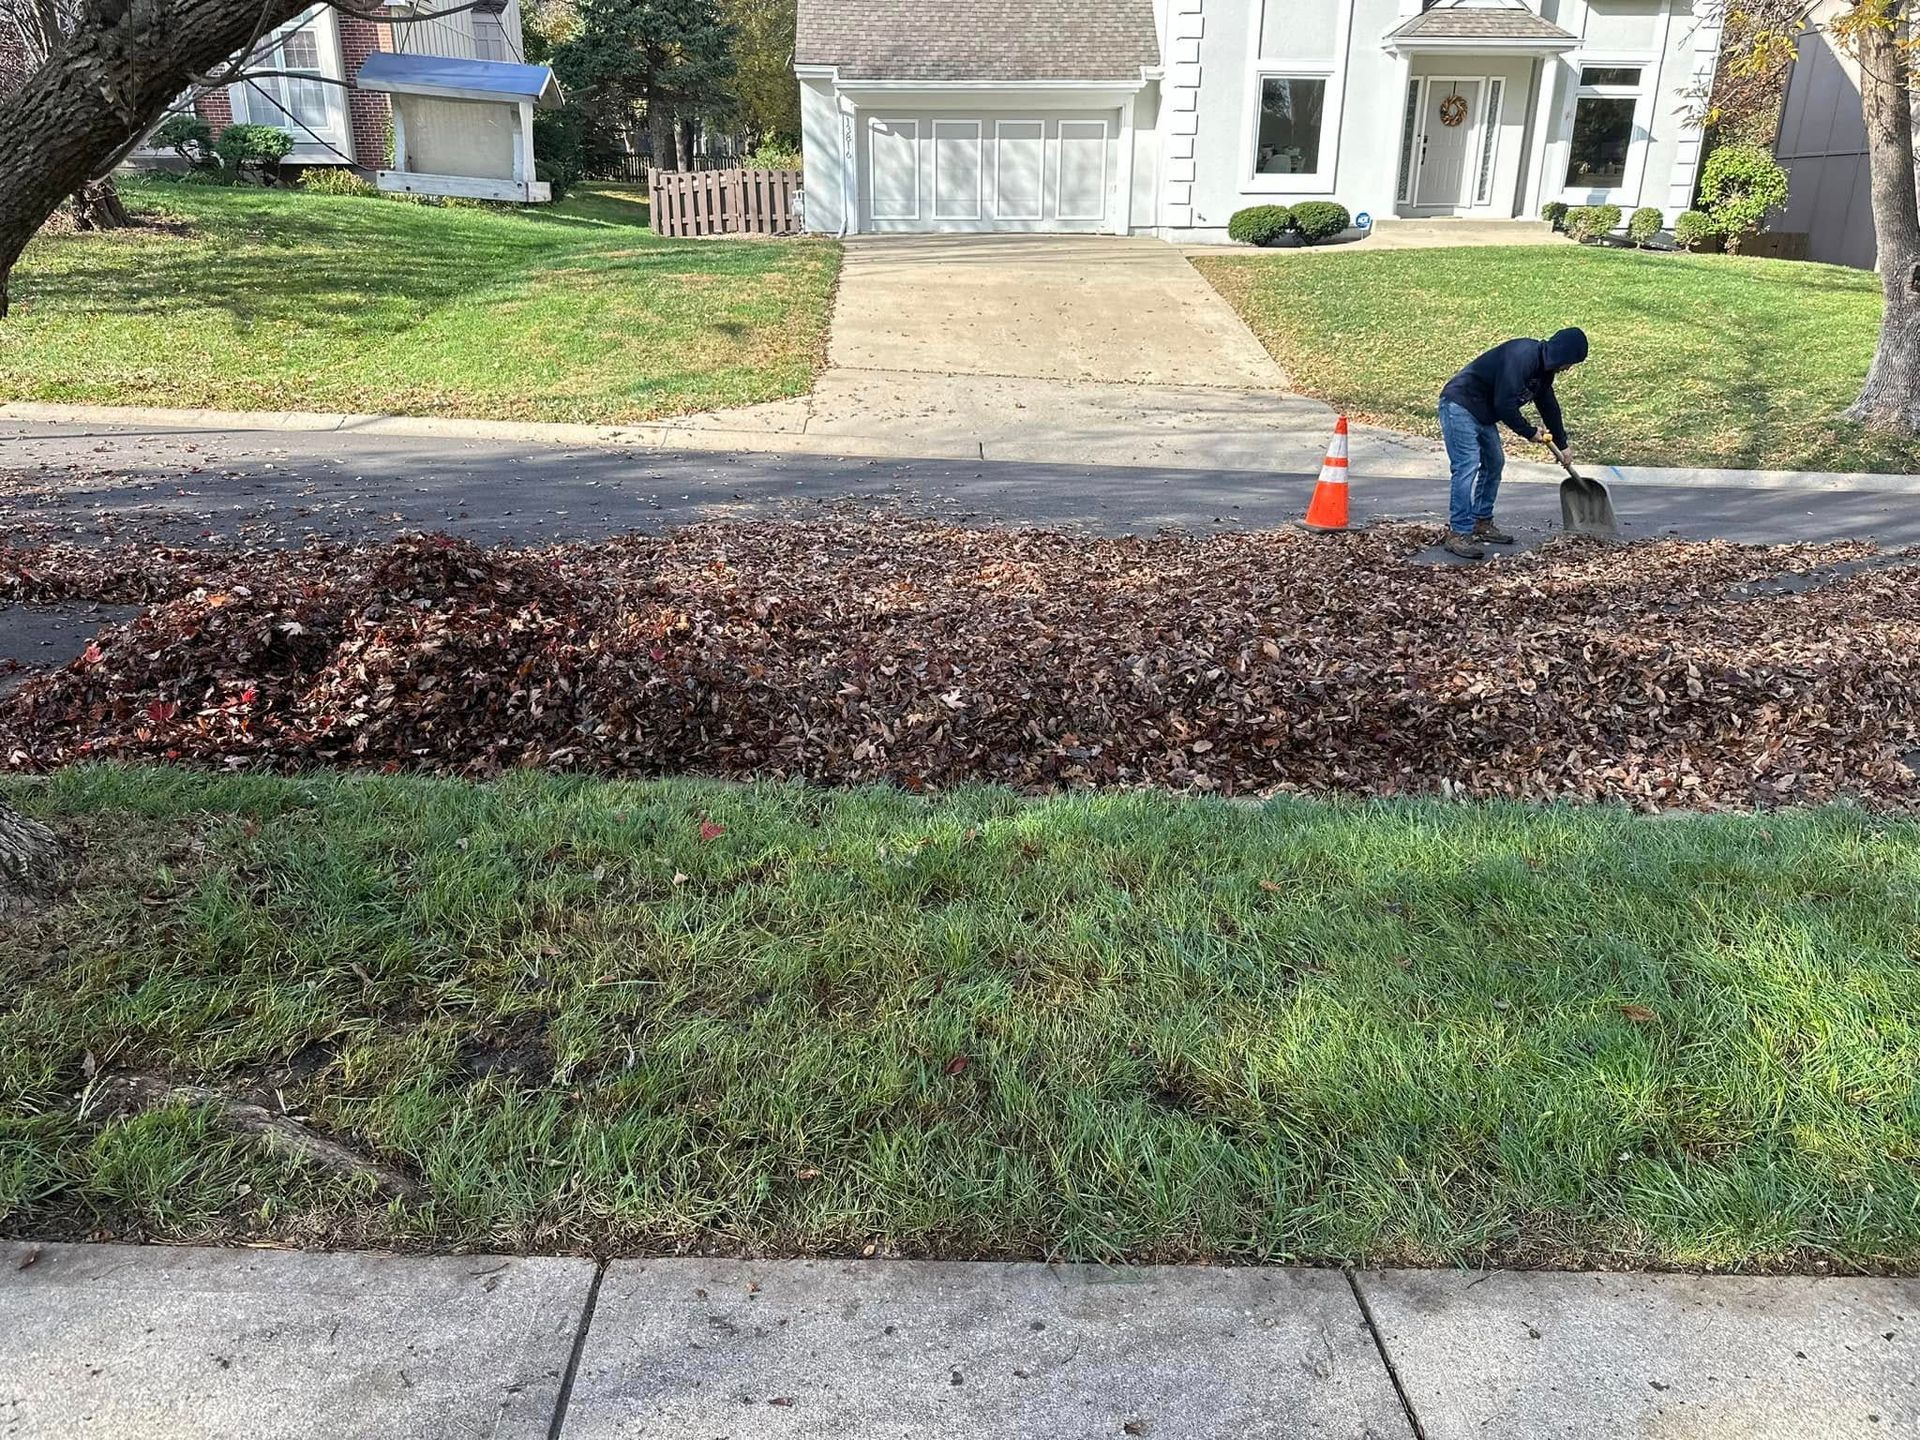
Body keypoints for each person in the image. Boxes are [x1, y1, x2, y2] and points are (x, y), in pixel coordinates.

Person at [1436, 327, 1589, 559]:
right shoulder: (1522, 356)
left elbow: (1548, 406)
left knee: (1495, 462)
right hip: (1460, 405)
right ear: (1563, 354)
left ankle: (1481, 521)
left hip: (1482, 413)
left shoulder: (1543, 372)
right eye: (1571, 362)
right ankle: (1458, 532)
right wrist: (1528, 432)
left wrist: (1562, 443)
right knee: (1467, 466)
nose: (1569, 368)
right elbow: (1504, 403)